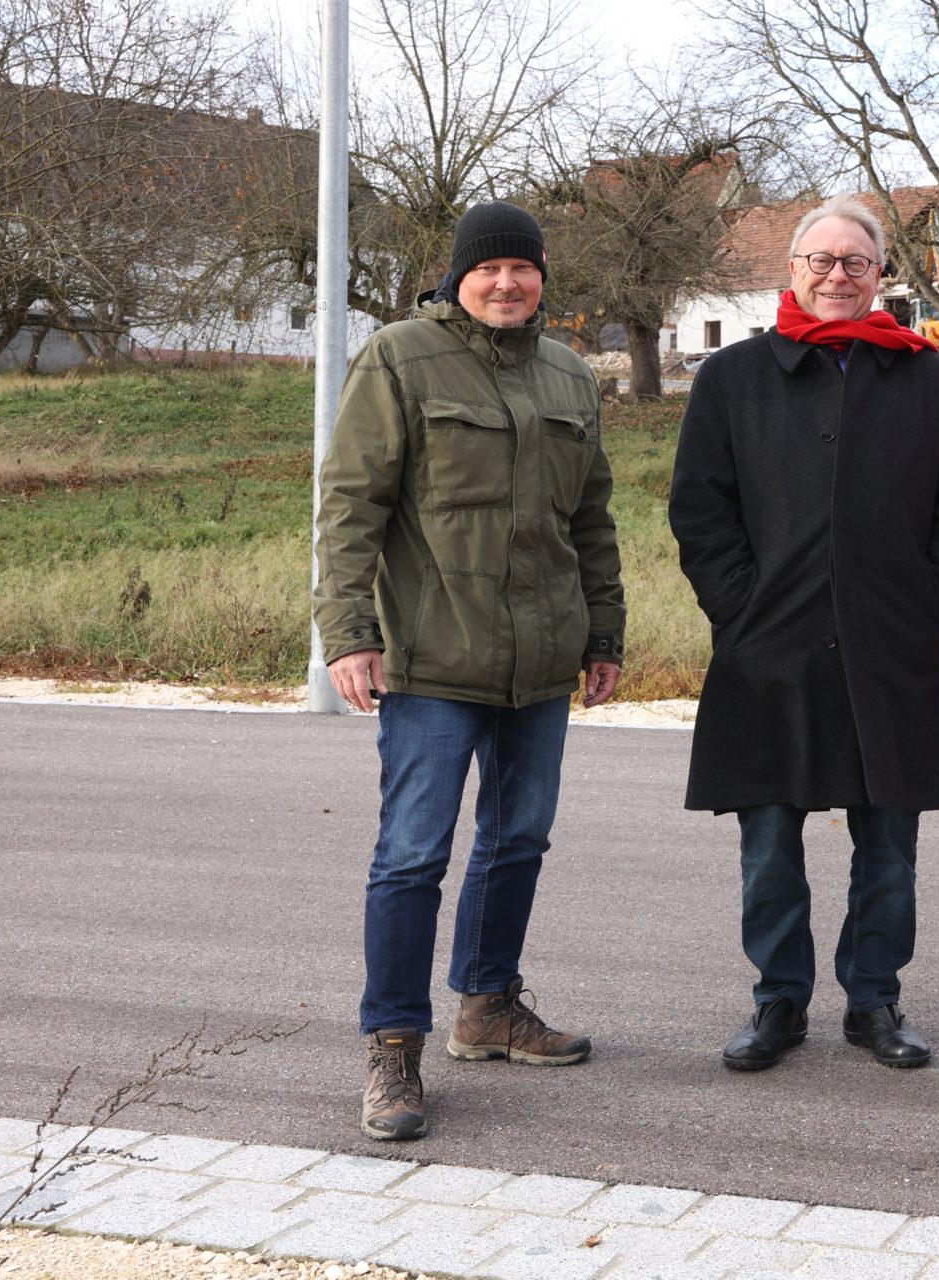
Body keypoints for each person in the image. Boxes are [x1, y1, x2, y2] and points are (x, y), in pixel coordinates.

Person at [313, 201, 625, 1139]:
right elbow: (350, 503)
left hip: (541, 659)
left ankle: (489, 1008)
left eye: (522, 269)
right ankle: (392, 1047)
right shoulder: (401, 357)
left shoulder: (570, 374)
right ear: (458, 277)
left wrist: (602, 634)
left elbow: (593, 521)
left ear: (540, 278)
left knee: (518, 839)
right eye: (487, 269)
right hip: (431, 656)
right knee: (411, 856)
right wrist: (348, 632)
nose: (505, 283)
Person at [669, 197, 939, 1073]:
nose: (837, 275)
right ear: (793, 271)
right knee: (769, 839)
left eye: (856, 262)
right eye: (821, 260)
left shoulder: (925, 378)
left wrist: (935, 604)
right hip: (767, 648)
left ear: (881, 276)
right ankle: (778, 1001)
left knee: (888, 839)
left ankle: (875, 1000)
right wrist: (737, 603)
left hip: (892, 649)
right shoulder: (731, 378)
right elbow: (700, 508)